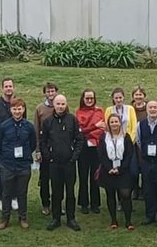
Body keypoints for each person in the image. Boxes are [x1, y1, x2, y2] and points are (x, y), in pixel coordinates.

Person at [40, 93, 83, 231]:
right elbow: (43, 141)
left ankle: (71, 218)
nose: (60, 106)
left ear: (66, 105)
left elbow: (79, 139)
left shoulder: (72, 120)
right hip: (54, 163)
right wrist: (48, 157)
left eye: (63, 104)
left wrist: (74, 157)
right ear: (54, 105)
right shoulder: (47, 122)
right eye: (58, 104)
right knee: (56, 192)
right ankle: (56, 218)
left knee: (70, 192)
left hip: (69, 163)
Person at [0, 98, 36, 230]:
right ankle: (4, 218)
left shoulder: (29, 126)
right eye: (14, 109)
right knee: (6, 193)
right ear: (10, 110)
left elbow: (33, 144)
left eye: (19, 109)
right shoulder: (4, 126)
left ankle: (23, 218)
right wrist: (5, 157)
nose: (17, 111)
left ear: (23, 110)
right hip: (7, 165)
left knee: (22, 193)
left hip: (24, 165)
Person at [98, 112, 138, 230]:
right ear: (108, 124)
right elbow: (101, 154)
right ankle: (113, 220)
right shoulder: (103, 137)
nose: (114, 124)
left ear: (120, 123)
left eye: (116, 122)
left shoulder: (126, 137)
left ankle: (128, 221)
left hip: (123, 171)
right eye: (112, 122)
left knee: (125, 195)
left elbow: (129, 155)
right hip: (108, 170)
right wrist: (109, 168)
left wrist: (120, 169)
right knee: (111, 195)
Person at [75, 89, 105, 214]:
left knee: (95, 175)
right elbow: (79, 131)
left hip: (96, 146)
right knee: (83, 176)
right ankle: (83, 203)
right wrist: (94, 127)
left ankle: (95, 203)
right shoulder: (78, 112)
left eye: (91, 98)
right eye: (87, 98)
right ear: (83, 99)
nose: (89, 100)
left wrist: (90, 131)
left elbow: (102, 129)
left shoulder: (99, 111)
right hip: (83, 147)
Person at [137, 100, 157, 226]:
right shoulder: (141, 124)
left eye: (155, 107)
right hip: (147, 162)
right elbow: (138, 141)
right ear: (147, 109)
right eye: (150, 107)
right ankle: (150, 215)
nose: (153, 109)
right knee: (148, 190)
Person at [34, 82, 58, 214]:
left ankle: (57, 204)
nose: (51, 94)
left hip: (58, 149)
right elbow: (36, 130)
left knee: (58, 179)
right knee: (44, 179)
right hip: (44, 148)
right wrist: (37, 150)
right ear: (45, 93)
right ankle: (45, 204)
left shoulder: (61, 106)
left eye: (53, 91)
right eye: (48, 91)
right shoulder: (40, 109)